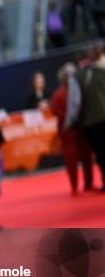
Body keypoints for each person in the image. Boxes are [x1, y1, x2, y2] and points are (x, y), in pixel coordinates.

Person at [50, 63, 94, 194]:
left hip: (81, 128)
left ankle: (89, 183)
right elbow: (56, 110)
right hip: (67, 131)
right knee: (71, 159)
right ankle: (74, 185)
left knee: (86, 156)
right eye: (67, 75)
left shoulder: (79, 90)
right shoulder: (58, 94)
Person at [78, 43, 105, 191]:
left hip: (92, 122)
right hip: (96, 120)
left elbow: (76, 103)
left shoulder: (82, 75)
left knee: (101, 153)